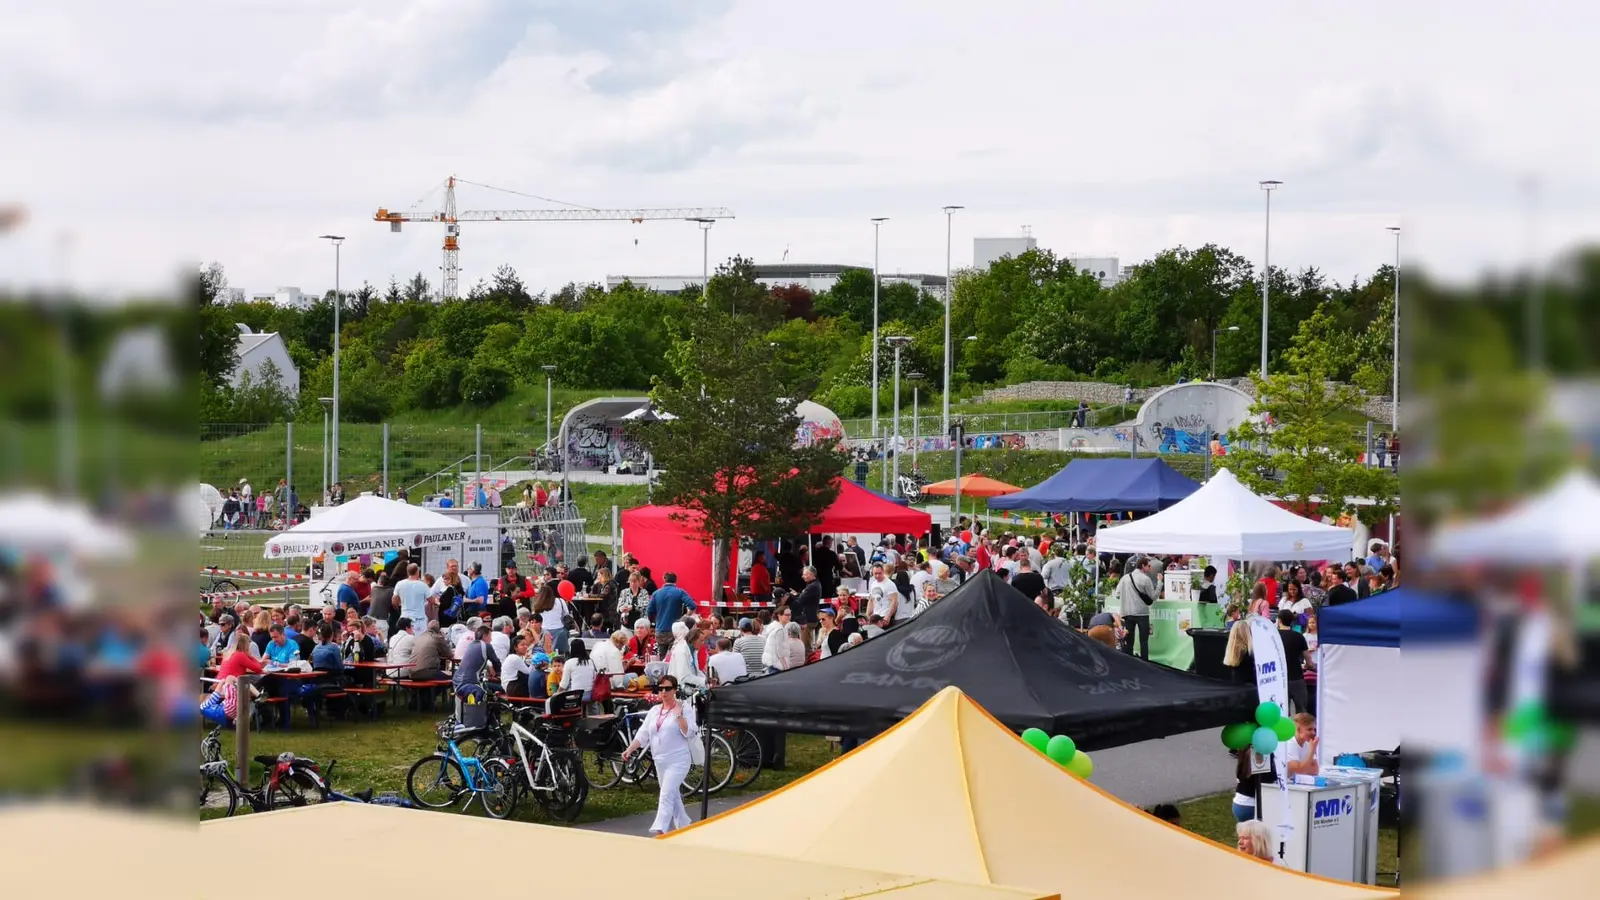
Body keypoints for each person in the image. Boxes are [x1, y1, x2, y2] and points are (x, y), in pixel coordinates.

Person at [620, 675, 698, 835]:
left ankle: (660, 829)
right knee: (673, 794)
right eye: (661, 689)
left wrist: (678, 716)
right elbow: (643, 734)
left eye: (668, 688)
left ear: (675, 690)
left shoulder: (684, 708)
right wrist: (630, 749)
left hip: (679, 759)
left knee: (666, 794)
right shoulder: (655, 711)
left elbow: (689, 732)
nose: (664, 692)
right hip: (660, 760)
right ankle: (684, 825)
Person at [1114, 556, 1157, 660]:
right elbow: (1153, 596)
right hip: (1142, 613)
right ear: (1143, 566)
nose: (1150, 568)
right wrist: (1160, 583)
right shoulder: (1146, 579)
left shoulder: (1124, 578)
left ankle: (1129, 662)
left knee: (1129, 641)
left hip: (1128, 613)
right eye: (1149, 566)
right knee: (1144, 642)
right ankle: (1145, 663)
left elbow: (1117, 594)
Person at [452, 625, 499, 694]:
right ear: (484, 636)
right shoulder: (487, 646)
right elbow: (496, 662)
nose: (491, 640)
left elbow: (473, 662)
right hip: (469, 684)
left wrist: (488, 667)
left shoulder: (471, 645)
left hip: (456, 681)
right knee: (501, 688)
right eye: (490, 637)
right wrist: (499, 674)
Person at [559, 638, 598, 702]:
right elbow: (595, 679)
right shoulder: (590, 661)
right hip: (590, 695)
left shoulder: (569, 662)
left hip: (576, 695)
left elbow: (564, 684)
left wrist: (556, 694)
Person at [395, 563, 429, 634]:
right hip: (419, 621)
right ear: (417, 572)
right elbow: (431, 600)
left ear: (408, 572)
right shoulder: (423, 585)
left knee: (405, 642)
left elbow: (394, 601)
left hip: (404, 619)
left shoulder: (399, 584)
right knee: (420, 643)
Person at [1286, 713, 1319, 778]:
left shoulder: (1308, 744)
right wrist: (1312, 751)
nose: (1313, 733)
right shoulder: (1290, 743)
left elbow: (1315, 770)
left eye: (1314, 729)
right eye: (1309, 729)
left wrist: (1302, 768)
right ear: (1298, 730)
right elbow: (1299, 771)